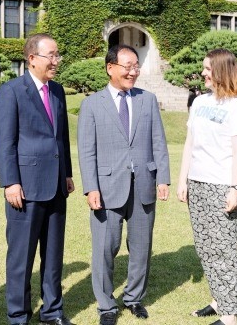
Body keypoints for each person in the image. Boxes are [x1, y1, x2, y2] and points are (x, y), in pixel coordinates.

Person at [78, 44, 171, 325]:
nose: (133, 71)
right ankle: (106, 305)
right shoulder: (92, 104)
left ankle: (133, 297)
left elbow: (159, 142)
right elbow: (86, 150)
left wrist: (163, 177)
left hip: (144, 183)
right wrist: (91, 187)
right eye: (127, 66)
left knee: (141, 247)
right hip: (106, 188)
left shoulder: (148, 99)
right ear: (110, 68)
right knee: (106, 247)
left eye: (136, 66)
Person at [0, 33, 75, 325]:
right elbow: (5, 142)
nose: (56, 61)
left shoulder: (58, 91)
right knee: (21, 257)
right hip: (25, 188)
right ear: (32, 59)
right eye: (51, 55)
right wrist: (10, 182)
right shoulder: (12, 91)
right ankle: (18, 316)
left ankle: (52, 311)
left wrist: (66, 172)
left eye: (57, 55)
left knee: (53, 256)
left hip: (55, 186)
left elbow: (61, 137)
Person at [176, 49, 237, 325]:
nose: (203, 72)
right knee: (205, 247)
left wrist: (234, 188)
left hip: (222, 186)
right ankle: (219, 300)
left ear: (222, 71)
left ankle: (229, 315)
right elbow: (190, 143)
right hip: (197, 183)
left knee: (224, 251)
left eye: (208, 68)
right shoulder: (199, 102)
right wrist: (183, 179)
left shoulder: (236, 107)